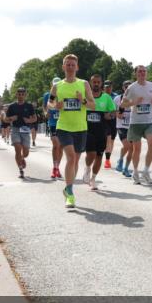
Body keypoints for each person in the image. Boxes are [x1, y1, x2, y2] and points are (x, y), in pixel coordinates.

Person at [49, 55, 96, 208]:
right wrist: (55, 106)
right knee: (70, 157)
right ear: (63, 67)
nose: (70, 67)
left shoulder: (84, 84)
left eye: (72, 65)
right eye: (67, 65)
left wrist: (82, 100)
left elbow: (93, 105)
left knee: (75, 160)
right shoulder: (57, 86)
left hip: (81, 128)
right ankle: (70, 193)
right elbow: (50, 103)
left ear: (77, 67)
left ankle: (68, 188)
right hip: (63, 127)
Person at [120, 65, 152, 185]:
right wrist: (134, 102)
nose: (142, 73)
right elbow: (123, 104)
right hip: (136, 122)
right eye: (140, 71)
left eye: (144, 71)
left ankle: (146, 171)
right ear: (136, 74)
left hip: (149, 121)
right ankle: (135, 172)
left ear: (146, 73)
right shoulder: (131, 88)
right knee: (137, 149)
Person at [83, 74, 117, 191]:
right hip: (87, 130)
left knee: (99, 156)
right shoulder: (85, 96)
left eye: (98, 82)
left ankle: (93, 179)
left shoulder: (106, 97)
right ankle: (87, 168)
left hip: (101, 131)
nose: (96, 84)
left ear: (101, 83)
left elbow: (113, 111)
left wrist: (110, 115)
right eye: (94, 82)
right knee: (91, 154)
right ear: (90, 83)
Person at [5, 87, 37, 178]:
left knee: (26, 153)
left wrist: (29, 120)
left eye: (23, 94)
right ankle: (20, 169)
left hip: (25, 130)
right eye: (19, 94)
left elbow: (35, 118)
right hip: (15, 129)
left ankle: (22, 158)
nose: (21, 96)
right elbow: (5, 119)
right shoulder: (12, 106)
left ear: (25, 95)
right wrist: (11, 118)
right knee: (17, 148)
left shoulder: (29, 106)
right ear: (16, 95)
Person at [42, 76, 63, 179]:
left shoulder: (64, 94)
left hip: (63, 123)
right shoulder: (47, 95)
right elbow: (44, 106)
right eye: (54, 85)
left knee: (61, 146)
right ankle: (54, 168)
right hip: (53, 123)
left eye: (58, 85)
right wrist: (46, 112)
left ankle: (57, 167)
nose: (56, 87)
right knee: (56, 144)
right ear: (52, 85)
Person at [114, 79, 134, 177]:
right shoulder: (118, 99)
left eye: (130, 87)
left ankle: (125, 168)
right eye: (126, 87)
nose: (128, 89)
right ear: (123, 88)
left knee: (131, 149)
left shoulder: (135, 98)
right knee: (127, 146)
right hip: (121, 126)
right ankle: (121, 161)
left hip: (132, 126)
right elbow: (118, 115)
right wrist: (122, 108)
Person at [102, 80, 116, 169]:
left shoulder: (116, 96)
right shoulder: (101, 96)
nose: (108, 89)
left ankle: (108, 159)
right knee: (108, 139)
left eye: (109, 87)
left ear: (112, 87)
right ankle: (106, 160)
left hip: (113, 121)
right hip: (103, 120)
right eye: (106, 87)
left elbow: (118, 108)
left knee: (111, 141)